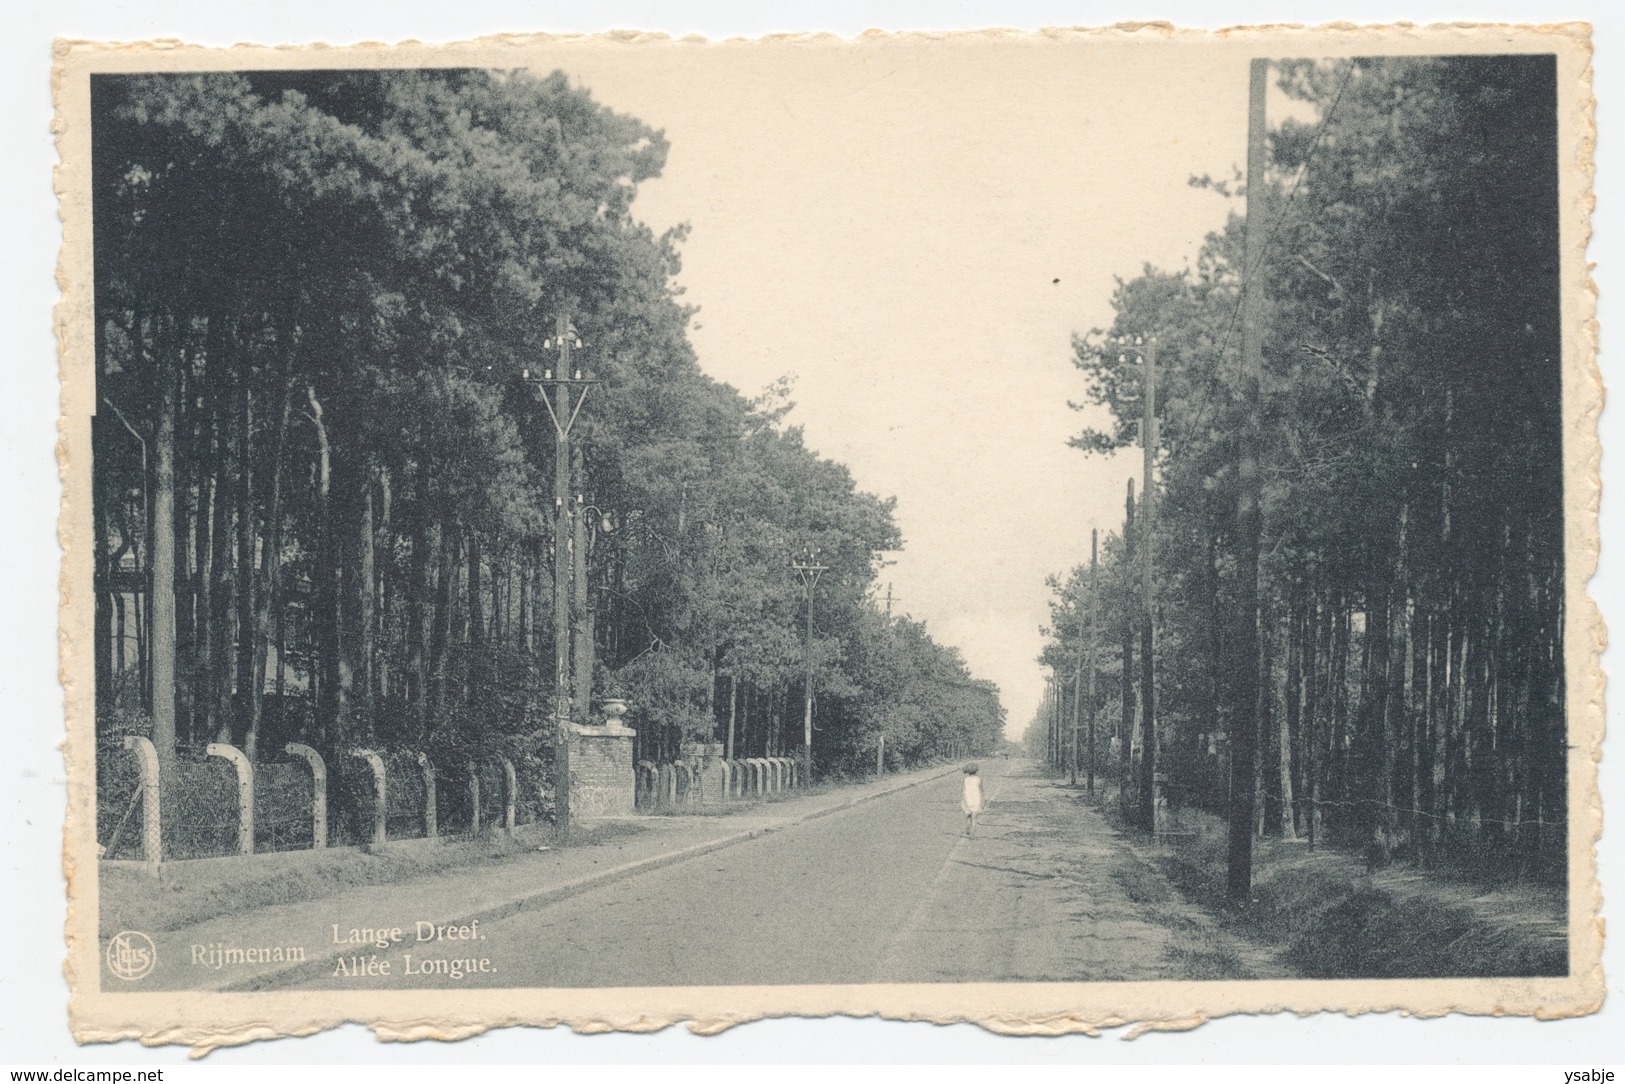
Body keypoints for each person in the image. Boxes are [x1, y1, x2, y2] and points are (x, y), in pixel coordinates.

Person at [960, 763, 984, 837]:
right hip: (976, 798)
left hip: (967, 797)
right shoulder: (978, 779)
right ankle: (972, 833)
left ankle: (967, 826)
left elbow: (963, 789)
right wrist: (982, 800)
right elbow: (981, 790)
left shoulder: (966, 779)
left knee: (967, 815)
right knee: (974, 817)